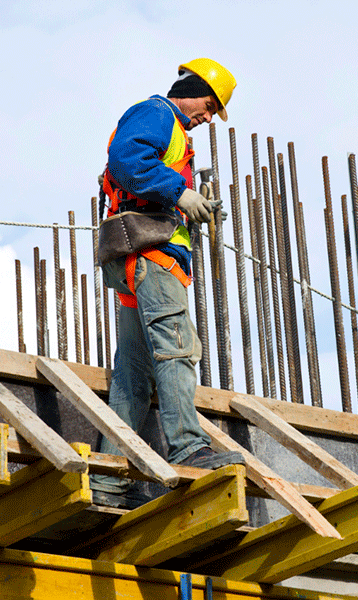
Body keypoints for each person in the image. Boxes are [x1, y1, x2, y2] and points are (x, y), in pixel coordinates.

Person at [90, 58, 244, 509]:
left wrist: (186, 200)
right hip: (151, 258)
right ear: (191, 88)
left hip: (138, 261)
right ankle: (189, 447)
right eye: (210, 105)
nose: (209, 117)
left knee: (133, 375)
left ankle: (110, 479)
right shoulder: (158, 113)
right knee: (177, 349)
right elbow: (126, 160)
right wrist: (180, 193)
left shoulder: (174, 132)